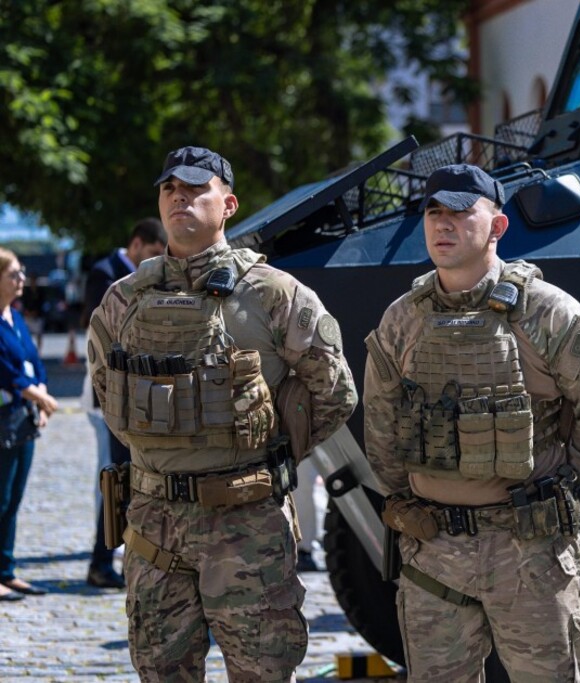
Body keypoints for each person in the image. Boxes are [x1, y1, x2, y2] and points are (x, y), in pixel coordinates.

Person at [87, 146, 357, 681]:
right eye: (169, 189)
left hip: (247, 525)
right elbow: (107, 389)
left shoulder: (274, 294)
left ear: (228, 204)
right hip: (153, 526)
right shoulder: (124, 299)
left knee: (263, 671)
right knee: (161, 672)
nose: (179, 197)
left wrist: (268, 454)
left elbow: (335, 391)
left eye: (196, 188)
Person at [363, 163, 580, 680]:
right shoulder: (403, 318)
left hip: (529, 550)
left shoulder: (546, 312)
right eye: (434, 212)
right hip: (433, 551)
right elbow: (382, 427)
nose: (444, 225)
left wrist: (559, 486)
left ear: (497, 226)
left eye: (462, 212)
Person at [82, 218, 167, 589]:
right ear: (136, 245)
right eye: (150, 253)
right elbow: (108, 332)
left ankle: (125, 555)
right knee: (115, 479)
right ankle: (103, 560)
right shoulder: (106, 275)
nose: (153, 261)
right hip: (111, 395)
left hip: (138, 395)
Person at [0, 248, 59, 601]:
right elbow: (6, 372)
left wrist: (43, 396)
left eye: (21, 273)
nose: (22, 280)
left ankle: (5, 571)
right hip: (3, 420)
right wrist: (43, 399)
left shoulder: (15, 318)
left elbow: (34, 364)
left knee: (14, 499)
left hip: (22, 420)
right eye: (14, 274)